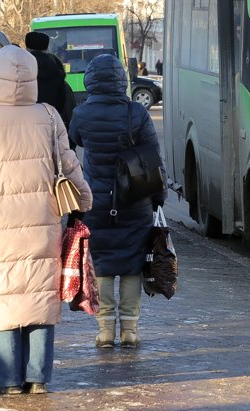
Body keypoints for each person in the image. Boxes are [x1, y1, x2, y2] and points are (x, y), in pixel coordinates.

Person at [0, 45, 92, 395]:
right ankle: (37, 377)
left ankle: (10, 381)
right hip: (42, 219)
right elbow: (70, 165)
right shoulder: (48, 115)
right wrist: (84, 200)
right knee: (40, 295)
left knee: (3, 297)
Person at [68, 54, 167, 349]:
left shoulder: (82, 113)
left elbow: (77, 140)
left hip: (96, 202)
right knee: (132, 265)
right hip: (134, 200)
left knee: (103, 265)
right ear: (121, 79)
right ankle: (131, 330)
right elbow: (153, 158)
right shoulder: (136, 112)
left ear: (90, 81)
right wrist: (157, 197)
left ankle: (105, 331)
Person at [25, 31, 76, 128]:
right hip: (53, 129)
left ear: (26, 49)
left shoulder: (17, 76)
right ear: (47, 49)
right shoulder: (59, 77)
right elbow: (68, 112)